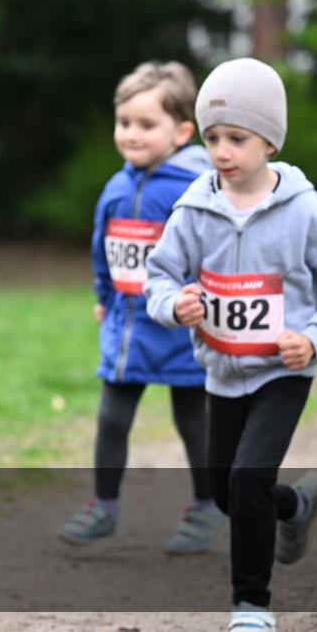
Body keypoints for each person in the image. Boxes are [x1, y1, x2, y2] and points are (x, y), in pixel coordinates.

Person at [144, 57, 317, 631]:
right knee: (226, 491)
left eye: (236, 138)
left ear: (269, 140)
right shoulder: (194, 208)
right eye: (213, 137)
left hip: (282, 372)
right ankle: (295, 507)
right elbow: (159, 276)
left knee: (247, 478)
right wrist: (175, 305)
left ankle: (251, 605)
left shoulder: (306, 212)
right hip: (221, 371)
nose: (221, 151)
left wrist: (315, 339)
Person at [57, 61, 224, 552]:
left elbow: (213, 254)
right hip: (127, 328)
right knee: (111, 418)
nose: (131, 133)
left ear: (182, 131)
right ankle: (102, 506)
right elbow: (102, 250)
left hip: (180, 330)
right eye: (124, 122)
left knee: (194, 422)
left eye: (146, 125)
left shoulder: (195, 190)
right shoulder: (116, 187)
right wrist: (104, 298)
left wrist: (200, 302)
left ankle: (205, 506)